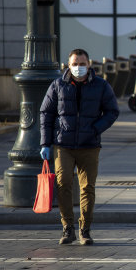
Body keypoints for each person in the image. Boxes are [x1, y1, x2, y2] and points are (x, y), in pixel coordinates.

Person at [40, 49, 119, 245]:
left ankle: (85, 229)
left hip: (89, 145)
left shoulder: (100, 85)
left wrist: (96, 129)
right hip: (63, 145)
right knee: (64, 183)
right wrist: (45, 143)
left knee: (87, 188)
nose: (78, 68)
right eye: (74, 64)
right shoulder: (58, 85)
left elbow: (112, 111)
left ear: (89, 64)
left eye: (82, 63)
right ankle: (68, 228)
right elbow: (46, 114)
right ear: (68, 65)